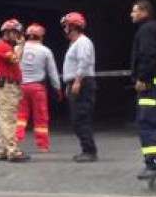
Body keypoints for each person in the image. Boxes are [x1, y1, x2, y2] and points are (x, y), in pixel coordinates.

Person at [130, 0, 156, 180]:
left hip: (150, 84)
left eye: (134, 11)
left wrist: (142, 78)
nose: (132, 14)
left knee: (147, 123)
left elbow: (147, 54)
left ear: (144, 11)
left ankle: (153, 164)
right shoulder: (155, 29)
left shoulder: (146, 30)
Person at [15, 23, 62, 153]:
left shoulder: (18, 48)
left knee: (20, 116)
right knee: (41, 116)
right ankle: (42, 146)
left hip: (20, 88)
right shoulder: (45, 51)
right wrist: (57, 88)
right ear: (41, 36)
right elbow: (52, 72)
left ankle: (15, 142)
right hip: (38, 89)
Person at [0, 18, 30, 163]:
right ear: (7, 32)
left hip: (8, 86)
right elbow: (15, 59)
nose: (18, 36)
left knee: (4, 119)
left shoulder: (5, 46)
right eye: (16, 33)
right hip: (6, 86)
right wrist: (21, 46)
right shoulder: (2, 47)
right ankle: (13, 151)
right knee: (9, 119)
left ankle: (3, 150)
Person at [60, 11, 98, 163]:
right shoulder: (75, 43)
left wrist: (77, 81)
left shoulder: (83, 42)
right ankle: (87, 149)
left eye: (66, 26)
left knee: (80, 118)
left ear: (73, 27)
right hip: (76, 83)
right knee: (77, 119)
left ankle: (89, 151)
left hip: (82, 84)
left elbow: (84, 62)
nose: (65, 29)